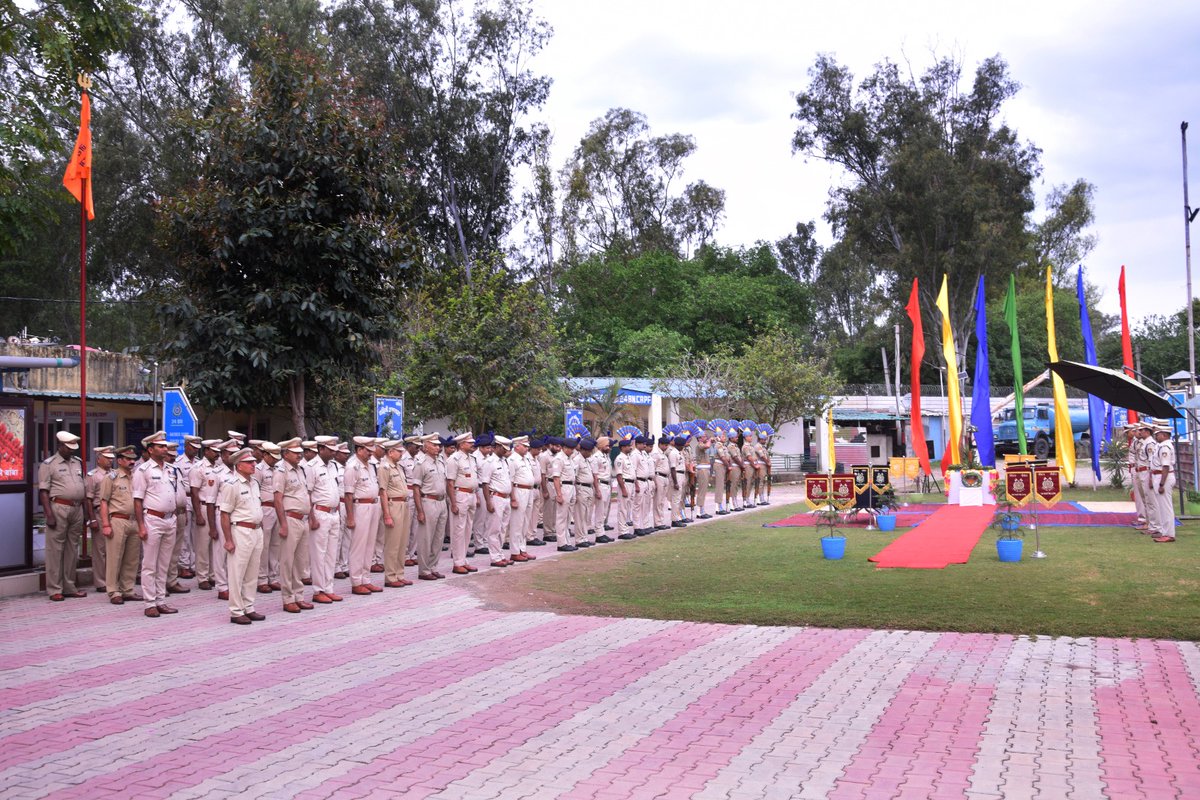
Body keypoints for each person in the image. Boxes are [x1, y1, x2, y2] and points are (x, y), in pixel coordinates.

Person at [133, 431, 181, 618]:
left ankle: (161, 600)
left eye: (165, 446)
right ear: (150, 449)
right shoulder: (143, 471)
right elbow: (137, 500)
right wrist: (141, 526)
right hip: (152, 519)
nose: (164, 449)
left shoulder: (171, 469)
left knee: (164, 564)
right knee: (149, 564)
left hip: (170, 519)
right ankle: (149, 603)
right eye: (160, 446)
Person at [218, 448, 267, 625]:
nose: (254, 465)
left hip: (256, 530)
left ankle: (249, 606)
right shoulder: (232, 485)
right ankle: (236, 610)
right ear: (239, 466)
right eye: (249, 462)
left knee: (252, 572)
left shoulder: (254, 483)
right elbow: (224, 514)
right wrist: (228, 539)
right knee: (237, 573)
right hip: (240, 531)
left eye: (254, 462)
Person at [39, 431, 89, 601]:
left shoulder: (77, 463)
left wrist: (85, 512)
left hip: (76, 508)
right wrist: (48, 514)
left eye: (73, 448)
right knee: (55, 550)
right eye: (68, 448)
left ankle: (69, 586)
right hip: (58, 507)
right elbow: (44, 491)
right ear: (60, 446)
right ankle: (54, 589)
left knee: (71, 549)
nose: (71, 451)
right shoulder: (49, 464)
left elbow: (82, 486)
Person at [275, 438, 317, 611]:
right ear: (286, 453)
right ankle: (287, 598)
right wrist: (283, 524)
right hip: (290, 518)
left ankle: (299, 595)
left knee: (301, 561)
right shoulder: (280, 470)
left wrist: (311, 516)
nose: (299, 455)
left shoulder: (300, 470)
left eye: (300, 452)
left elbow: (306, 495)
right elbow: (277, 499)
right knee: (287, 561)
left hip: (303, 519)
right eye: (295, 452)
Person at [98, 445, 139, 604]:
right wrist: (106, 524)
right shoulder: (111, 477)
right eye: (128, 459)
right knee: (115, 557)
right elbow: (103, 502)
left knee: (132, 559)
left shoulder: (136, 477)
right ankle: (113, 591)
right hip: (118, 520)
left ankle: (127, 589)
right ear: (120, 460)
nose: (131, 462)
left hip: (134, 520)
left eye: (133, 459)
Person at [343, 436, 383, 595]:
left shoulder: (371, 465)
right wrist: (350, 517)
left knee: (369, 545)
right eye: (368, 451)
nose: (370, 454)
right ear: (359, 450)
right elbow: (348, 495)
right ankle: (356, 580)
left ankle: (366, 578)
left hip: (373, 505)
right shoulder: (352, 466)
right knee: (358, 546)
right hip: (360, 506)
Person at [308, 438, 343, 603]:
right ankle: (318, 589)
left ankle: (328, 588)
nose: (333, 452)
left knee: (331, 554)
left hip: (334, 513)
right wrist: (311, 517)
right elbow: (307, 494)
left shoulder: (333, 466)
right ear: (321, 449)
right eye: (330, 449)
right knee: (319, 554)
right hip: (320, 513)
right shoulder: (311, 467)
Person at [411, 433, 447, 580]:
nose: (437, 447)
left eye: (438, 445)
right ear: (426, 447)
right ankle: (424, 570)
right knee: (426, 537)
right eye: (434, 445)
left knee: (438, 537)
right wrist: (420, 511)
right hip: (428, 501)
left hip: (442, 501)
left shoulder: (441, 462)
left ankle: (433, 566)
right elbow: (416, 488)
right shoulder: (421, 464)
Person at [378, 439, 413, 587]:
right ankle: (390, 576)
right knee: (392, 543)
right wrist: (386, 514)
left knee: (402, 542)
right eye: (399, 451)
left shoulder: (397, 466)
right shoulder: (384, 467)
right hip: (393, 505)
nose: (401, 454)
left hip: (403, 504)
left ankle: (399, 573)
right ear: (390, 452)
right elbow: (383, 491)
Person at [189, 439, 223, 590]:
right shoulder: (198, 468)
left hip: (217, 508)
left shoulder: (219, 467)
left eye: (218, 452)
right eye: (214, 452)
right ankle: (202, 576)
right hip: (203, 507)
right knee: (203, 545)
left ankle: (212, 575)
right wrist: (198, 514)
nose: (217, 455)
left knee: (215, 543)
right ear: (207, 451)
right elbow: (194, 492)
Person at [162, 442, 191, 596]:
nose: (172, 459)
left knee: (175, 551)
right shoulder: (158, 471)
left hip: (179, 512)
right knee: (163, 552)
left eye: (174, 456)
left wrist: (185, 511)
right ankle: (160, 584)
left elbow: (181, 492)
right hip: (166, 515)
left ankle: (171, 580)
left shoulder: (175, 470)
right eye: (169, 456)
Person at [84, 445, 115, 593]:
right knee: (100, 550)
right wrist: (92, 519)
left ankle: (112, 579)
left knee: (113, 548)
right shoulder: (93, 476)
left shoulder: (114, 474)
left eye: (111, 459)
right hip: (98, 513)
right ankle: (100, 581)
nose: (110, 461)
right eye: (107, 458)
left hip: (113, 514)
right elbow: (88, 499)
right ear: (99, 459)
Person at [481, 435, 514, 567]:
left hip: (505, 498)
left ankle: (500, 554)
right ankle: (495, 557)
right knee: (494, 529)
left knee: (502, 528)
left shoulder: (503, 461)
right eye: (503, 448)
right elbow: (485, 484)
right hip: (496, 497)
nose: (506, 451)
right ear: (497, 447)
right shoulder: (489, 462)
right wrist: (488, 502)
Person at [255, 440, 283, 594]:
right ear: (265, 455)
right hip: (265, 508)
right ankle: (262, 579)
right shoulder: (258, 469)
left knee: (275, 545)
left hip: (277, 507)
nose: (274, 459)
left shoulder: (278, 468)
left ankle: (274, 577)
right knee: (264, 545)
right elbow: (255, 490)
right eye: (272, 456)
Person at [506, 435, 537, 563]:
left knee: (525, 522)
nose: (527, 449)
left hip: (529, 490)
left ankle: (522, 548)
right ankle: (514, 551)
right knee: (517, 522)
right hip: (519, 490)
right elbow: (511, 480)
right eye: (524, 446)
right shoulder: (512, 459)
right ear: (517, 446)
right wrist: (513, 498)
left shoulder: (526, 459)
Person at [1151, 424, 1177, 543]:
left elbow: (1165, 466)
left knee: (1166, 507)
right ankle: (1163, 531)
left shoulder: (1165, 447)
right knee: (1161, 507)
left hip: (1163, 477)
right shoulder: (1161, 445)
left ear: (1164, 435)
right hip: (1158, 475)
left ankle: (1169, 534)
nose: (1156, 436)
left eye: (1158, 434)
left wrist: (1161, 484)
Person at [574, 438, 598, 546]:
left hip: (588, 489)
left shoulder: (587, 460)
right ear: (583, 450)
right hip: (581, 488)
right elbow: (574, 477)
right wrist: (575, 492)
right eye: (589, 451)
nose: (590, 453)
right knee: (580, 515)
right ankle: (580, 539)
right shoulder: (577, 460)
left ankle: (584, 538)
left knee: (586, 515)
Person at [613, 436, 637, 540]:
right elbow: (619, 475)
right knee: (622, 508)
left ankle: (626, 529)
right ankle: (622, 532)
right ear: (622, 447)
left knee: (627, 508)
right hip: (625, 483)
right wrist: (623, 489)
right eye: (628, 446)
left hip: (631, 483)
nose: (630, 447)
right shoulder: (619, 458)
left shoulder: (628, 458)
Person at [592, 437, 614, 541]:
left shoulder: (606, 456)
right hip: (600, 485)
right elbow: (595, 475)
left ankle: (602, 532)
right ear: (600, 446)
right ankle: (599, 534)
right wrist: (597, 490)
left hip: (607, 485)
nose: (609, 447)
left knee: (604, 511)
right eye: (606, 445)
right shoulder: (596, 457)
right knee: (600, 511)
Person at [538, 436, 558, 543]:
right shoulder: (544, 456)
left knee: (555, 509)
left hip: (556, 482)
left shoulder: (558, 456)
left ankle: (553, 530)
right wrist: (544, 490)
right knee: (548, 510)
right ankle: (548, 532)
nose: (558, 448)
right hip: (548, 482)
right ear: (550, 445)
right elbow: (542, 474)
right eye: (556, 446)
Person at [526, 436, 546, 546]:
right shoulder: (527, 459)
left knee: (535, 514)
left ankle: (532, 535)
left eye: (540, 449)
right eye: (537, 449)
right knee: (528, 514)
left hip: (537, 489)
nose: (539, 451)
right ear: (532, 448)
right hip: (529, 489)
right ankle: (528, 536)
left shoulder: (536, 459)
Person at [633, 435, 654, 535]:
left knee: (646, 505)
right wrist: (636, 484)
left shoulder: (643, 454)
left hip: (645, 482)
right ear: (637, 444)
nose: (645, 445)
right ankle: (637, 527)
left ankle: (645, 525)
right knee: (637, 505)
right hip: (639, 481)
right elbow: (634, 470)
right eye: (643, 444)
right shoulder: (635, 454)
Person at [668, 436, 688, 528]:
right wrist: (675, 482)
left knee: (679, 499)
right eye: (682, 445)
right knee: (675, 499)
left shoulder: (679, 452)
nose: (683, 447)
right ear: (678, 445)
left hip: (681, 475)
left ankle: (678, 517)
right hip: (676, 475)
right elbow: (672, 469)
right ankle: (675, 520)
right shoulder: (673, 453)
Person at [694, 431, 713, 519]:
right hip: (702, 470)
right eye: (704, 436)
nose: (706, 437)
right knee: (702, 491)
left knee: (704, 490)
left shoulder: (703, 445)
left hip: (706, 469)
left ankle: (702, 510)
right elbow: (708, 445)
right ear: (700, 438)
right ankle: (699, 511)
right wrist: (710, 440)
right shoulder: (699, 445)